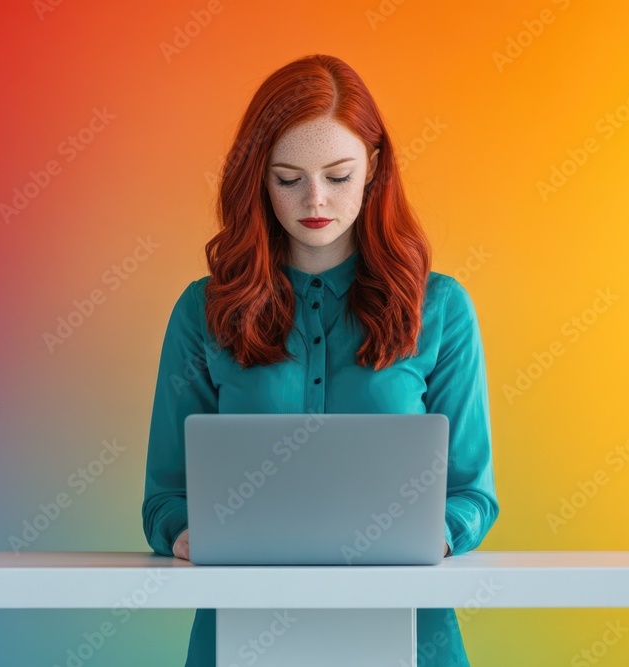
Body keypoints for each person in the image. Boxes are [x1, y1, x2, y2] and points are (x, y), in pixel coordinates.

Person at [141, 53, 500, 667]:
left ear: (375, 168)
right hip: (240, 635)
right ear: (258, 177)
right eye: (287, 178)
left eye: (338, 176)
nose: (315, 199)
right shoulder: (203, 311)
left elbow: (472, 494)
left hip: (411, 633)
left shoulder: (441, 308)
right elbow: (165, 497)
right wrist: (182, 533)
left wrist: (435, 533)